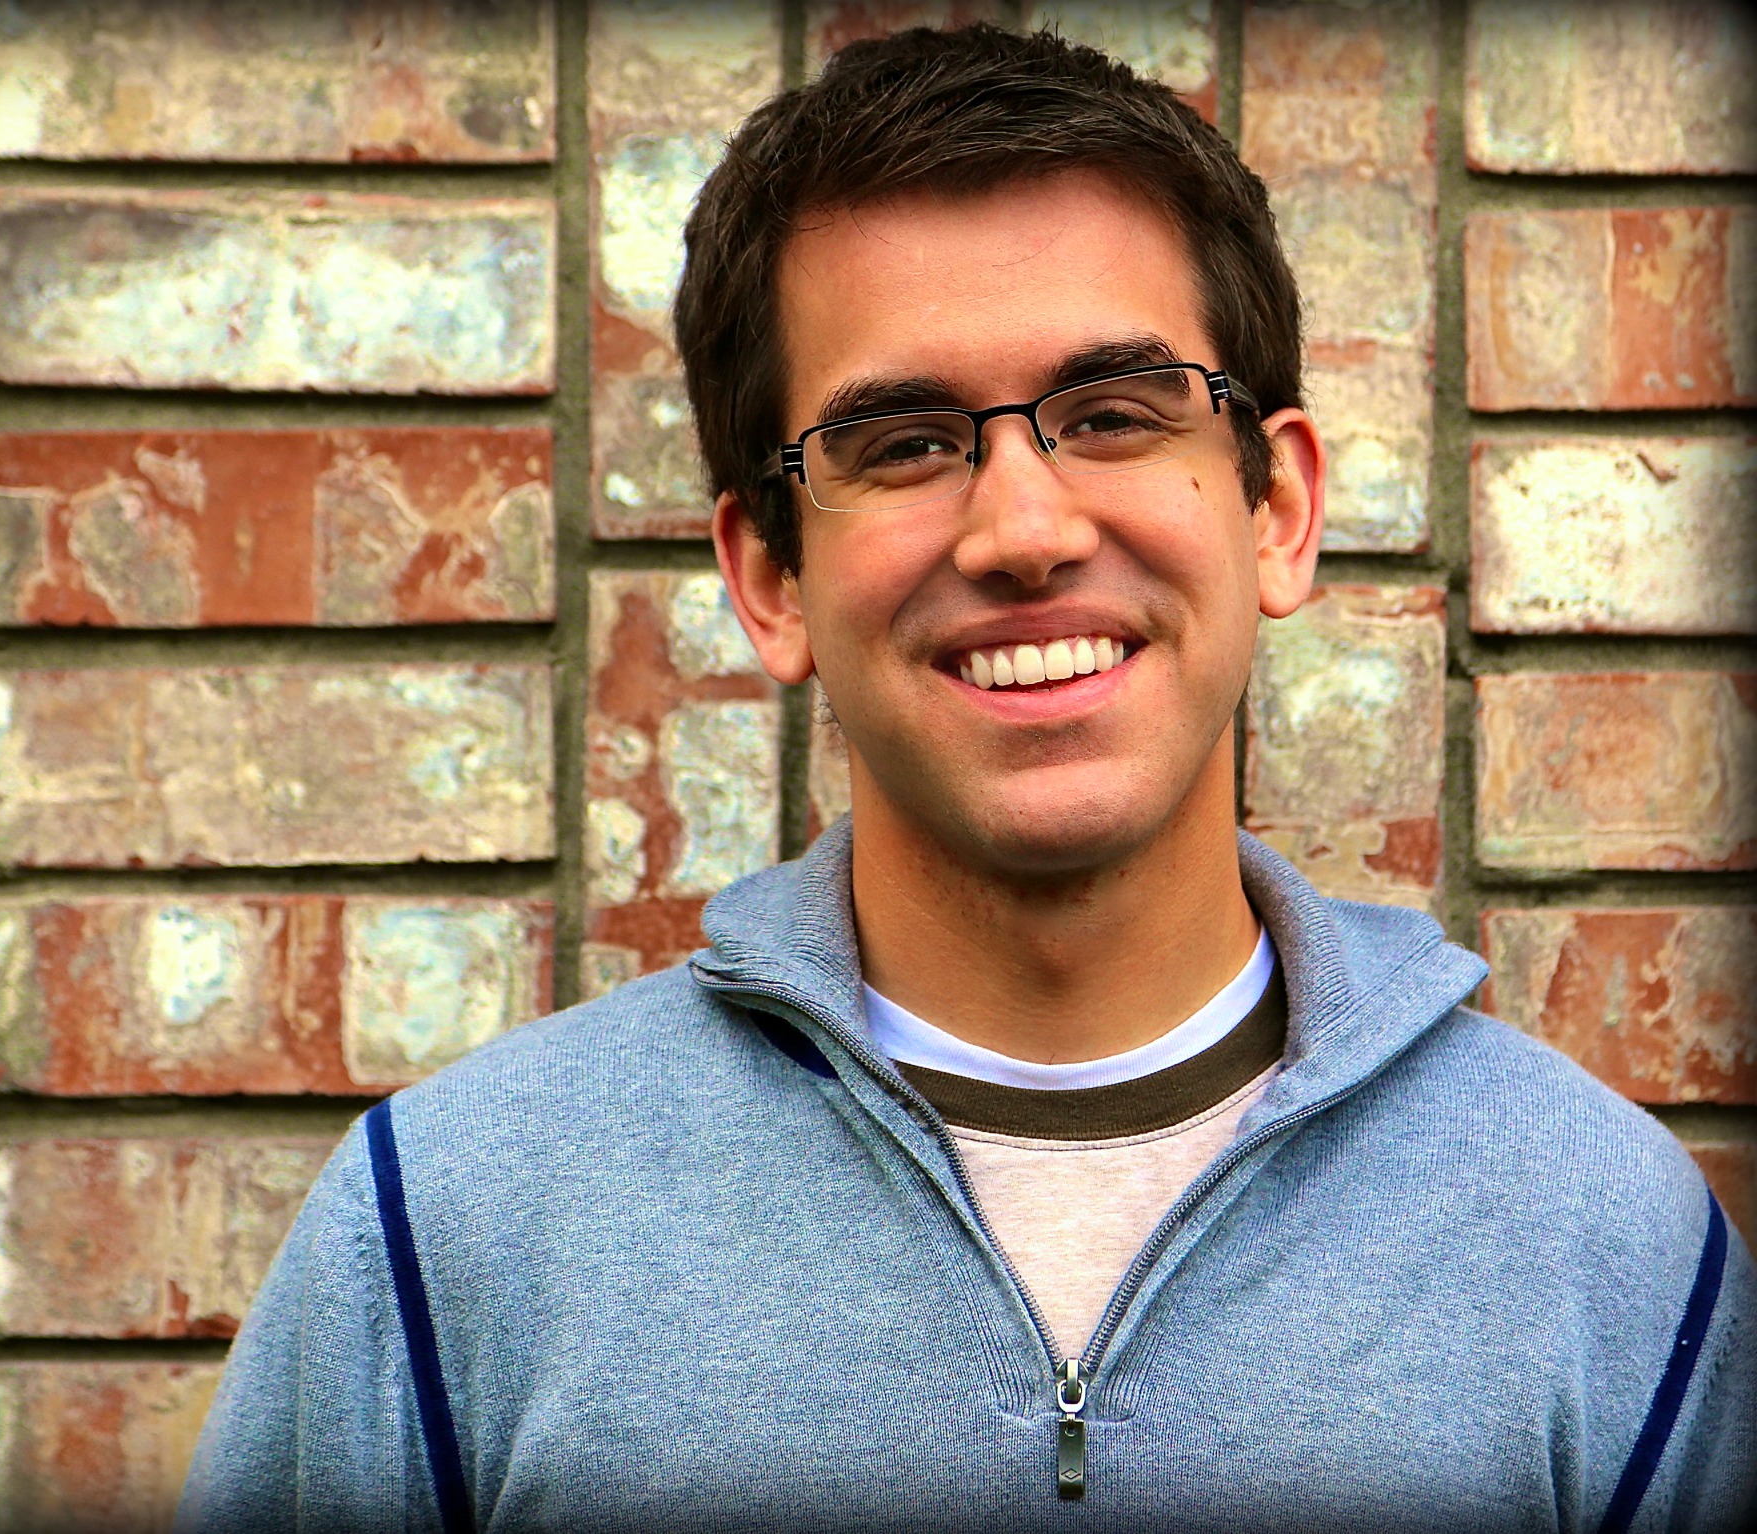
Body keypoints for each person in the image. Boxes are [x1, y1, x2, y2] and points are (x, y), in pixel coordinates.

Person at [179, 25, 1751, 1532]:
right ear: (769, 577)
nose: (1022, 529)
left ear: (1276, 508)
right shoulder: (449, 1237)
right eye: (907, 442)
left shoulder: (1605, 1243)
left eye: (1116, 415)